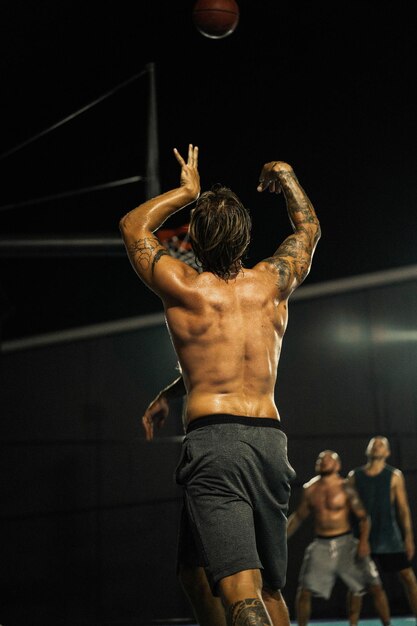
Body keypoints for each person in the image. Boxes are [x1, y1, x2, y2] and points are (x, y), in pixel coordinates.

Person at [119, 143, 321, 626]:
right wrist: (287, 174)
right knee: (208, 575)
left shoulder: (184, 287)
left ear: (194, 239)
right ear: (245, 235)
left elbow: (132, 226)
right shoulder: (274, 281)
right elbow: (307, 229)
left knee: (243, 595)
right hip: (270, 444)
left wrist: (186, 191)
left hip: (216, 448)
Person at [287, 450, 391, 626]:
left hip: (346, 542)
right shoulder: (310, 489)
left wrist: (364, 542)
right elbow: (298, 516)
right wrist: (281, 538)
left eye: (329, 459)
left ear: (337, 465)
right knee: (304, 591)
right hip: (321, 544)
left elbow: (364, 518)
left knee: (372, 585)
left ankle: (383, 623)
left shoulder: (346, 487)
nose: (324, 461)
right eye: (320, 459)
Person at [348, 436, 417, 622]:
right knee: (355, 585)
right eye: (374, 444)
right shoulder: (355, 476)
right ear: (368, 450)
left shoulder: (394, 475)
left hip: (389, 537)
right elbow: (348, 509)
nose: (377, 447)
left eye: (382, 445)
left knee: (408, 577)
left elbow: (403, 509)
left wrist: (408, 538)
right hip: (363, 538)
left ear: (387, 452)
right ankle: (352, 623)